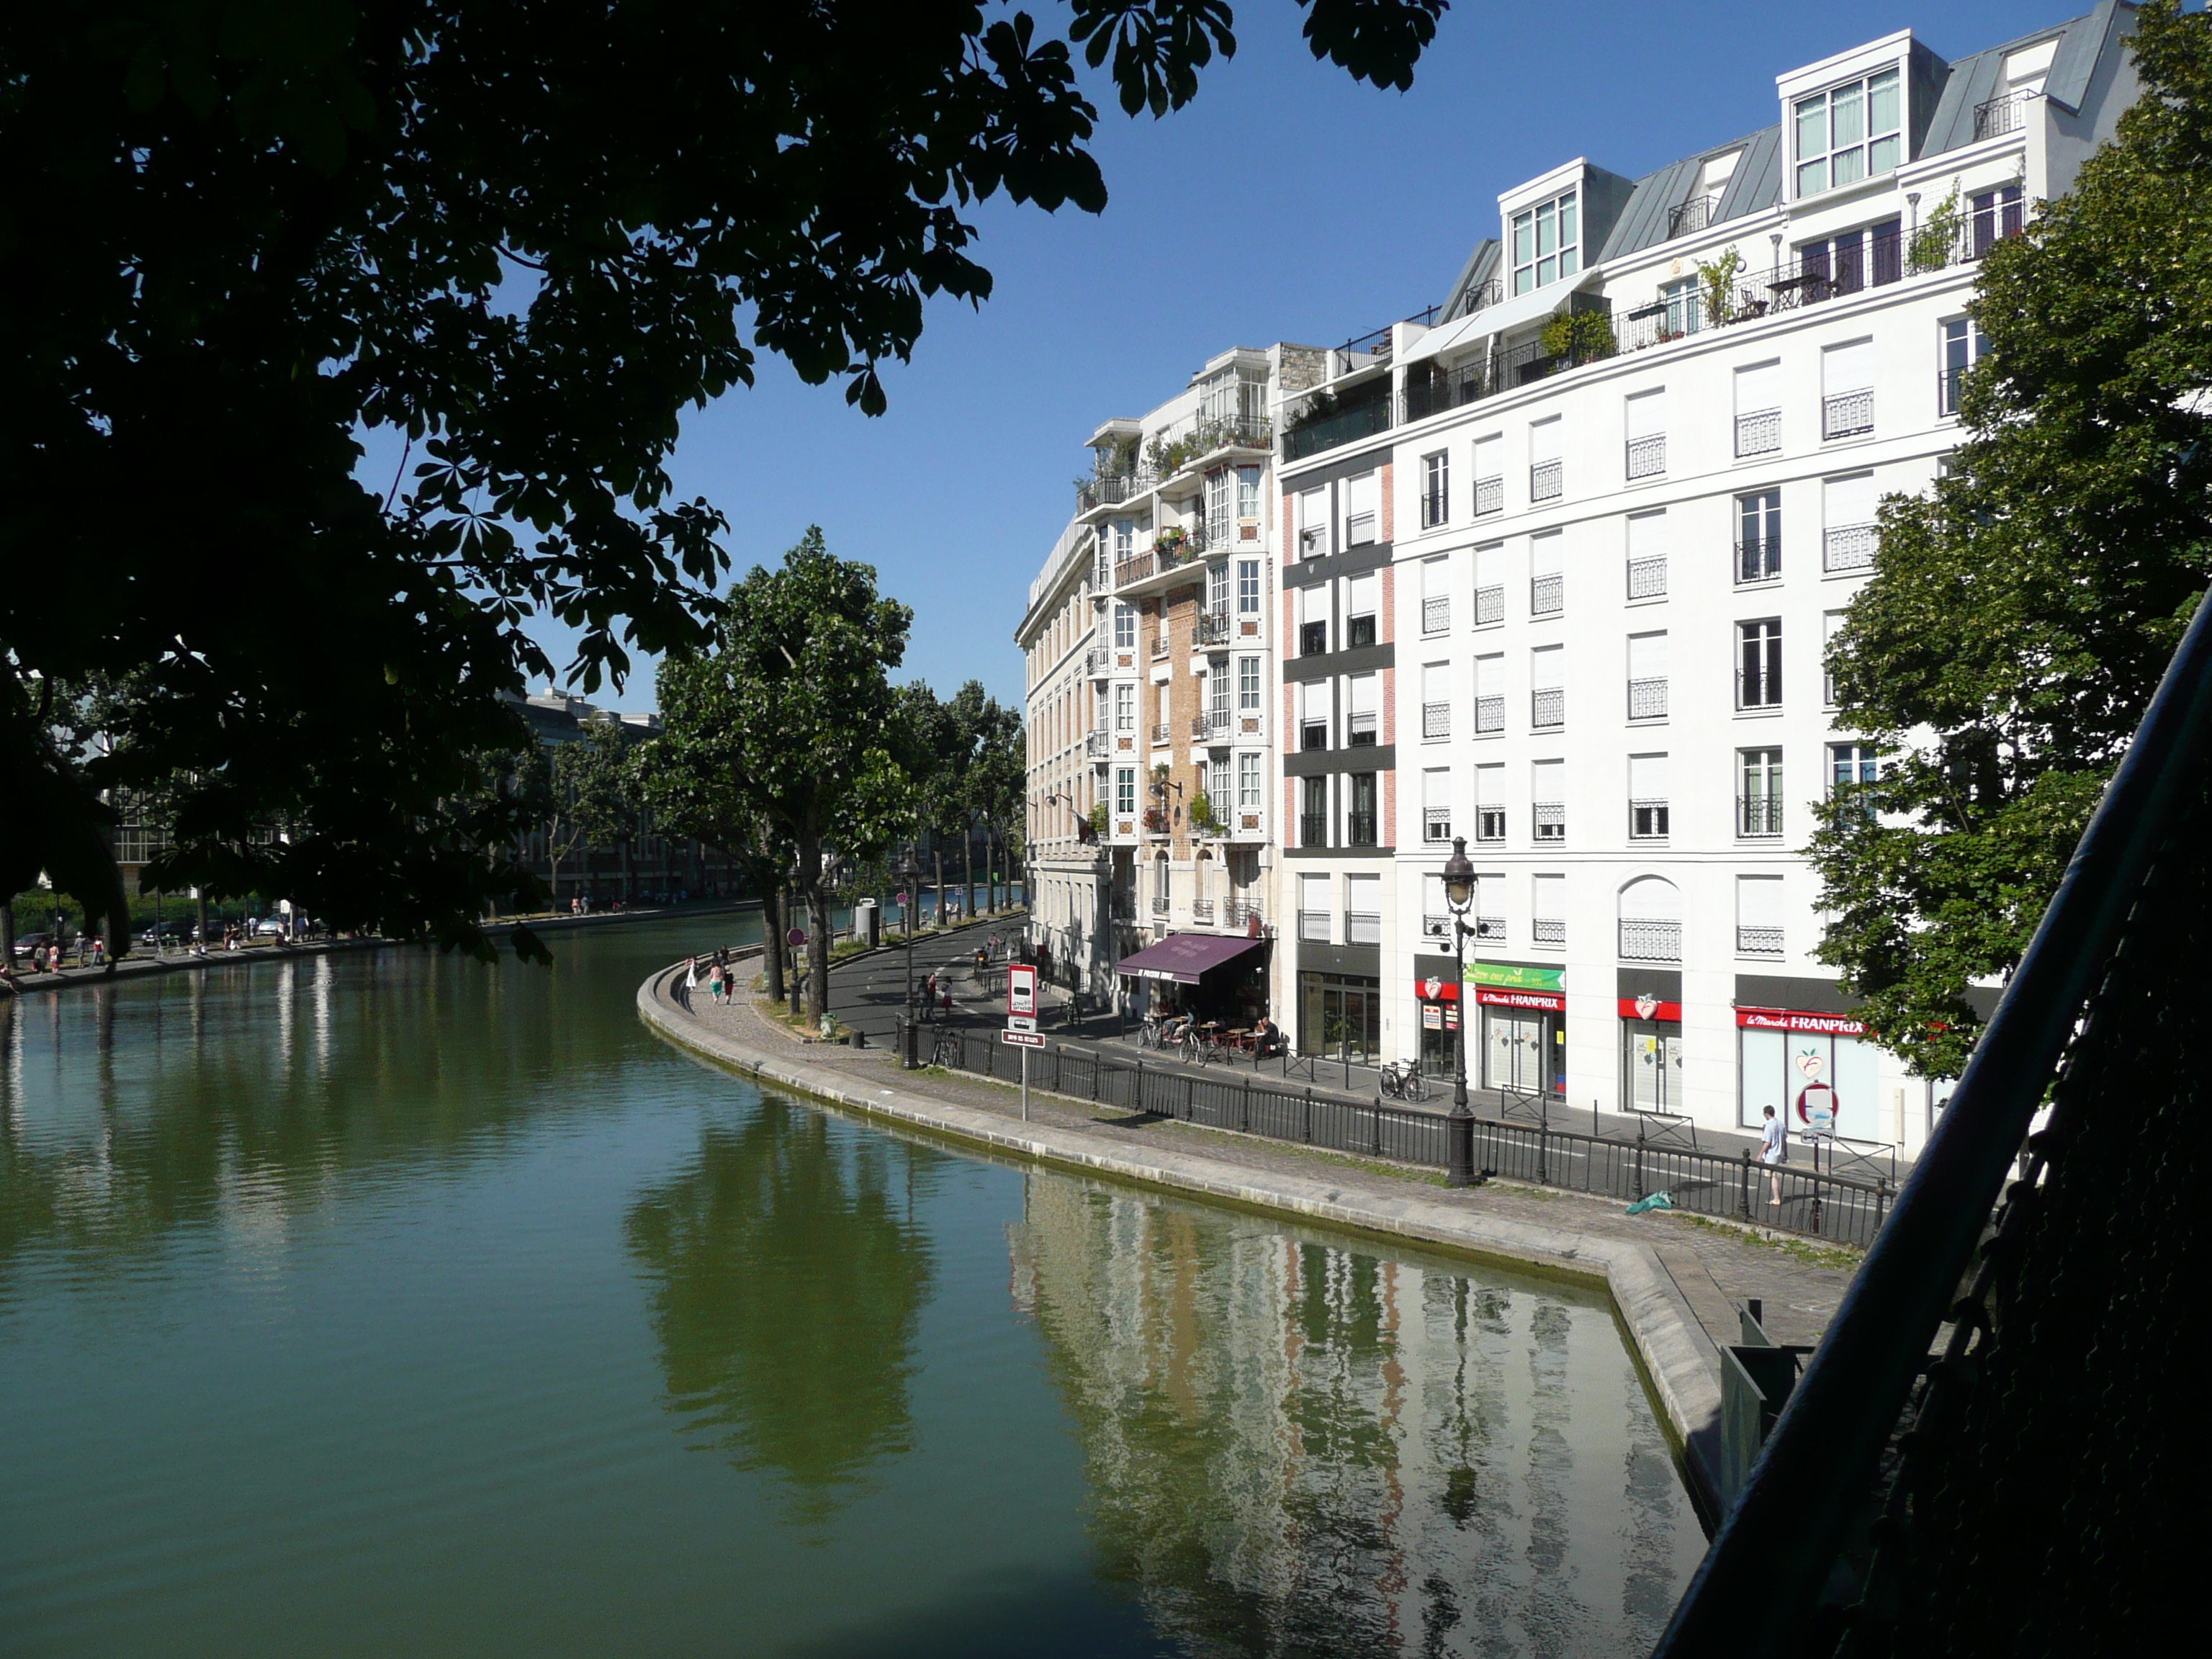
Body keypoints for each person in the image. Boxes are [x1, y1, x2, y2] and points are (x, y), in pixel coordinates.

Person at [1759, 1104, 1788, 1208]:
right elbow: (1784, 1140)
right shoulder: (1781, 1124)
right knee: (1774, 1176)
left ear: (1767, 1114)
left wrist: (1760, 1154)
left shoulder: (1769, 1126)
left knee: (1773, 1177)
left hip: (1771, 1155)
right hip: (1780, 1153)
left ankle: (1777, 1199)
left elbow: (1767, 1142)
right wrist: (1785, 1154)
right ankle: (1777, 1197)